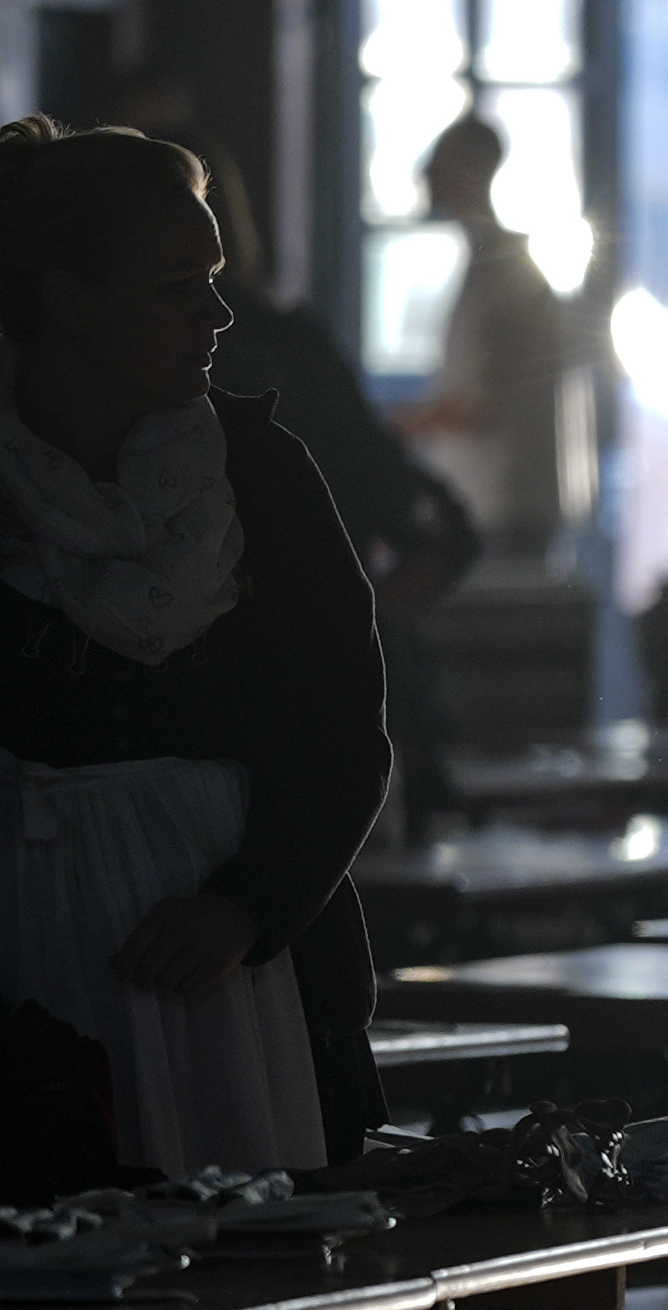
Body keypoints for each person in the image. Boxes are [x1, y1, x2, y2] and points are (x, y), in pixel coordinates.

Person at [0, 117, 390, 1173]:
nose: (217, 312)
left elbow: (344, 724)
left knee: (249, 1243)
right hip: (9, 933)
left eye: (213, 276)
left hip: (226, 944)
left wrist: (248, 905)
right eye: (175, 287)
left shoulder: (259, 472)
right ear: (68, 298)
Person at [107, 73, 478, 834]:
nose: (206, 324)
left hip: (170, 745)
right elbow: (435, 525)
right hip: (331, 724)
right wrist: (344, 618)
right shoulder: (290, 350)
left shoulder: (100, 378)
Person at [400, 114, 572, 564]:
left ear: (466, 169)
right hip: (501, 504)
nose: (425, 173)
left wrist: (394, 430)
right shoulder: (500, 267)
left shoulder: (498, 273)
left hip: (499, 508)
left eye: (439, 160)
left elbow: (478, 404)